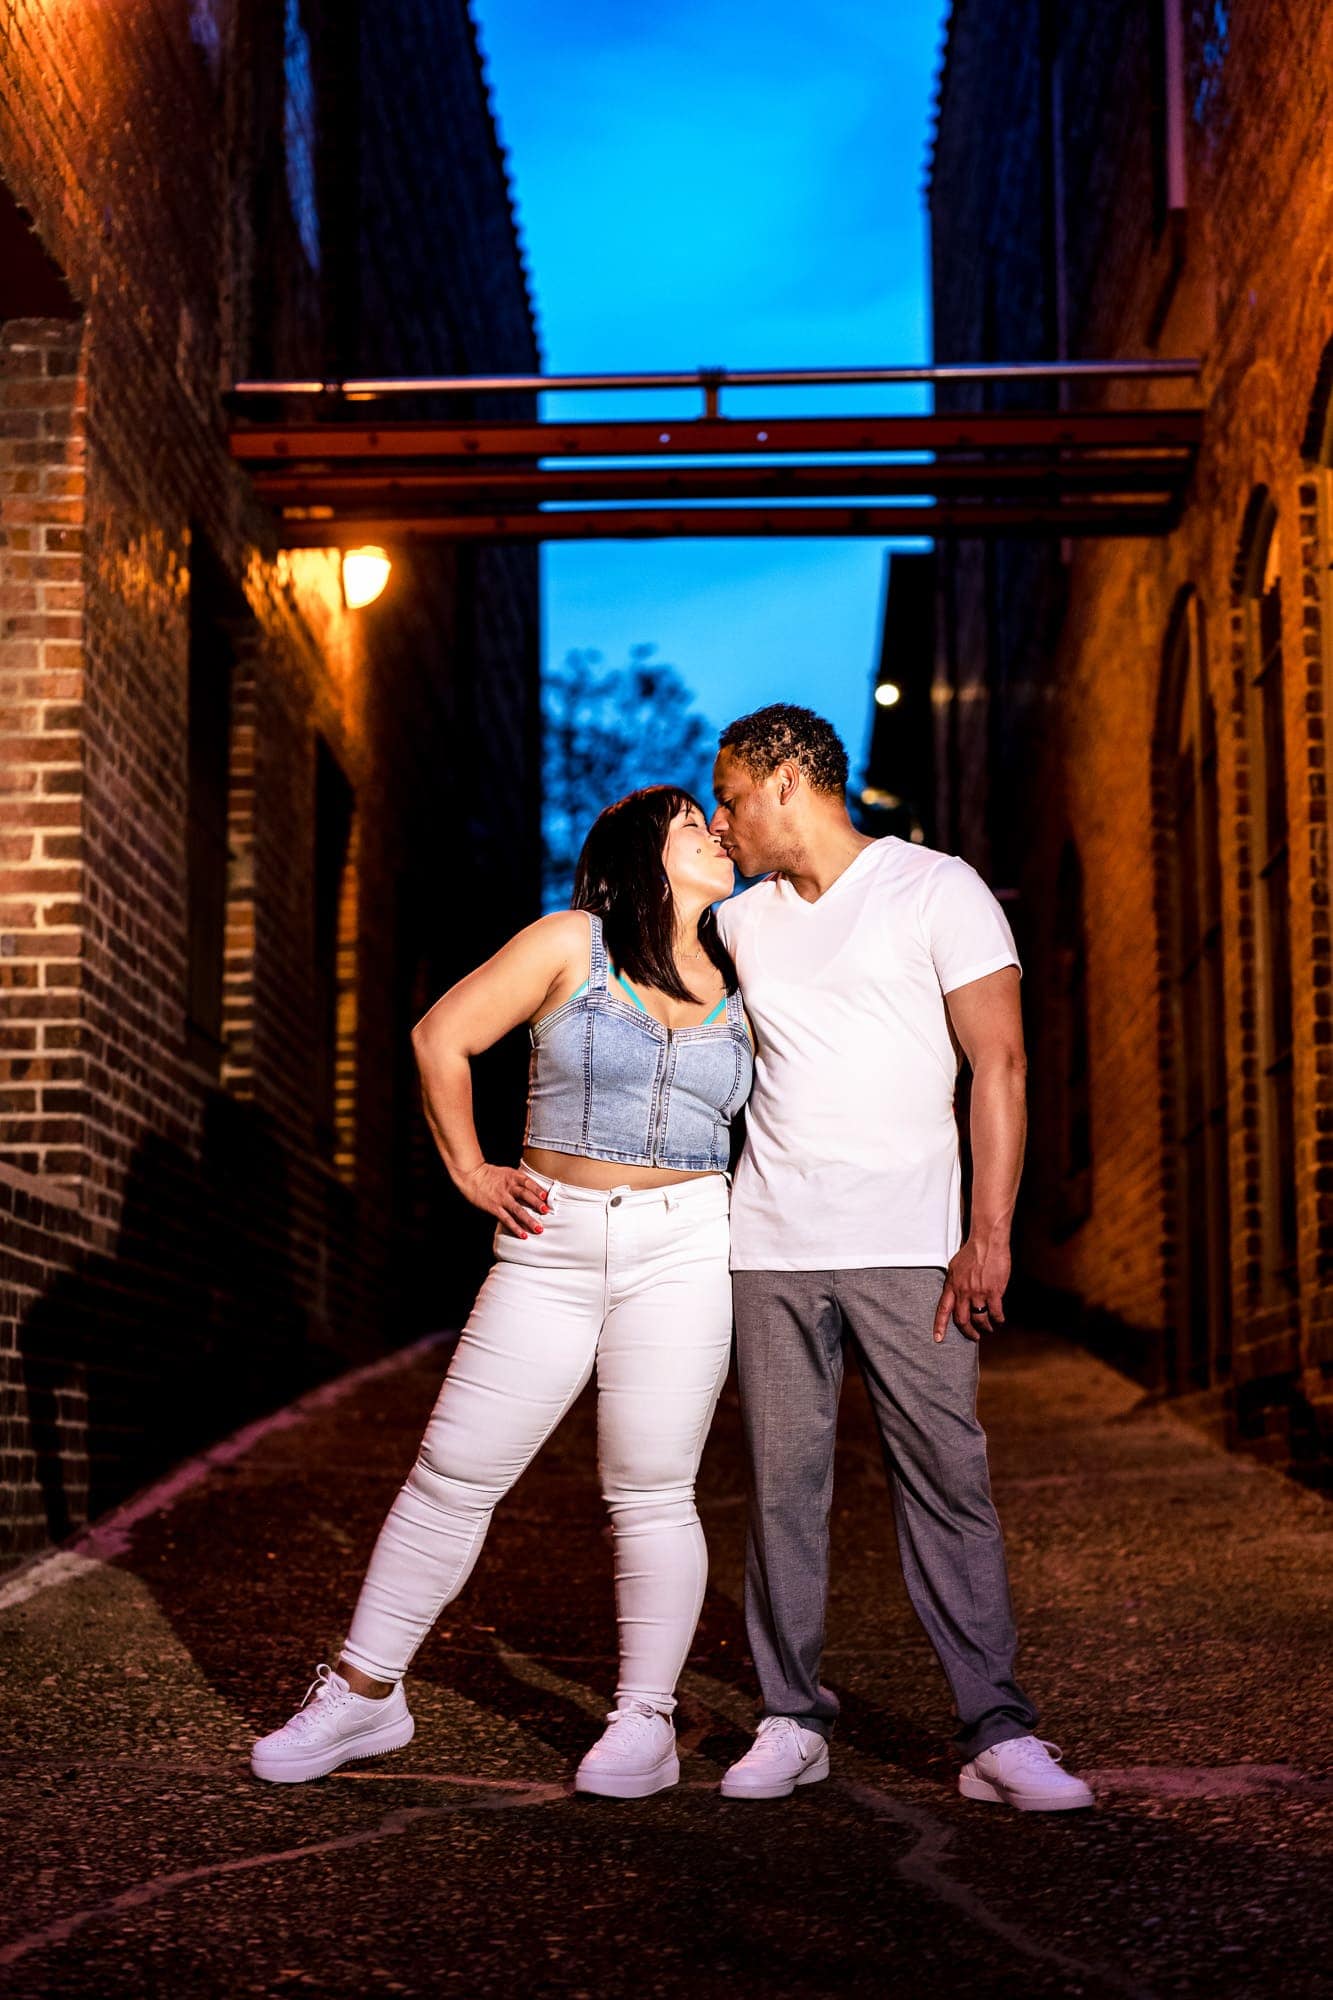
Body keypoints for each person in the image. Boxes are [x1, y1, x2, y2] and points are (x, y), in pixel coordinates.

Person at [251, 787, 751, 1799]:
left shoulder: (752, 964)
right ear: (641, 852)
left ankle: (643, 1721)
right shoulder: (577, 940)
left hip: (688, 1242)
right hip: (551, 1239)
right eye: (690, 820)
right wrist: (472, 1170)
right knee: (453, 1470)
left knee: (652, 1484)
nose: (714, 831)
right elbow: (441, 1035)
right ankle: (363, 1690)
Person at [708, 705, 1093, 1812]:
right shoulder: (741, 925)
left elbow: (1001, 1064)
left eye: (731, 794)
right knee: (781, 1486)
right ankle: (789, 1716)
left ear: (787, 780)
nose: (724, 818)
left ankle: (996, 1729)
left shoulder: (937, 886)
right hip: (771, 1247)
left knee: (946, 1479)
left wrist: (988, 1232)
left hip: (911, 1244)